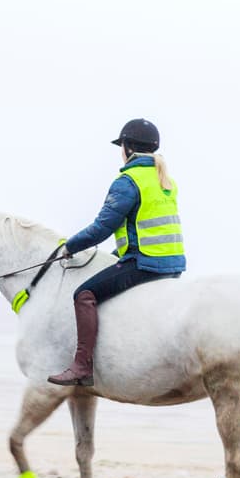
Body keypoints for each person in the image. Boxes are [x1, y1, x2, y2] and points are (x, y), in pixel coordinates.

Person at [47, 118, 186, 386]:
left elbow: (102, 227)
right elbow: (140, 227)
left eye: (121, 145)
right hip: (172, 263)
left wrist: (69, 246)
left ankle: (82, 367)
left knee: (84, 294)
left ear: (129, 148)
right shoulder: (165, 179)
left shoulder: (127, 181)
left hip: (146, 264)